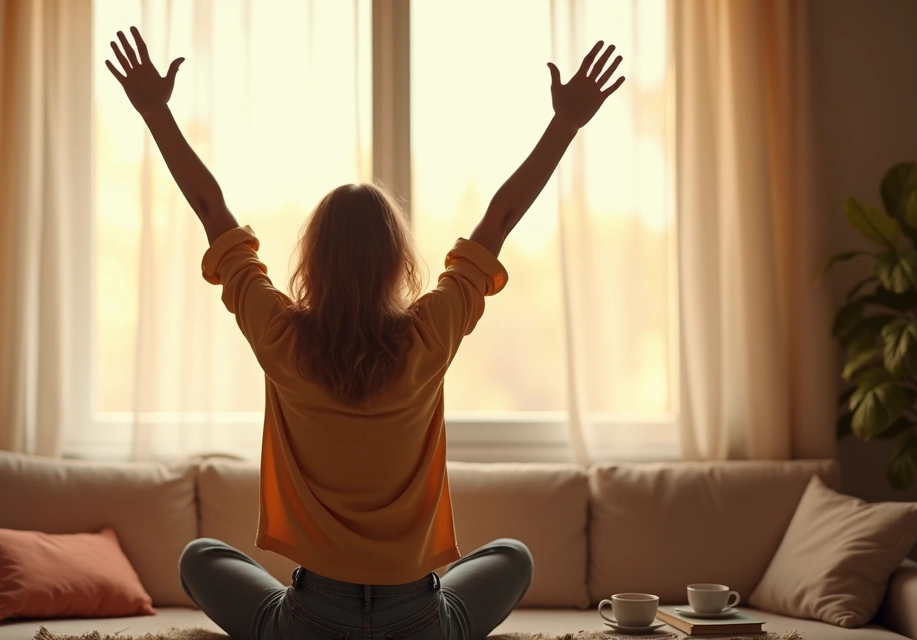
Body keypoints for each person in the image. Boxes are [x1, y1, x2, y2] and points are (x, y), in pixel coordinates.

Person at [106, 27, 624, 640]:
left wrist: (156, 112)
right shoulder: (431, 333)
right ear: (397, 263)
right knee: (513, 556)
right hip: (419, 619)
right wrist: (564, 124)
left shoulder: (280, 337)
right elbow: (501, 217)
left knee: (199, 560)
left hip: (311, 619)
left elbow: (209, 206)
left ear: (313, 263)